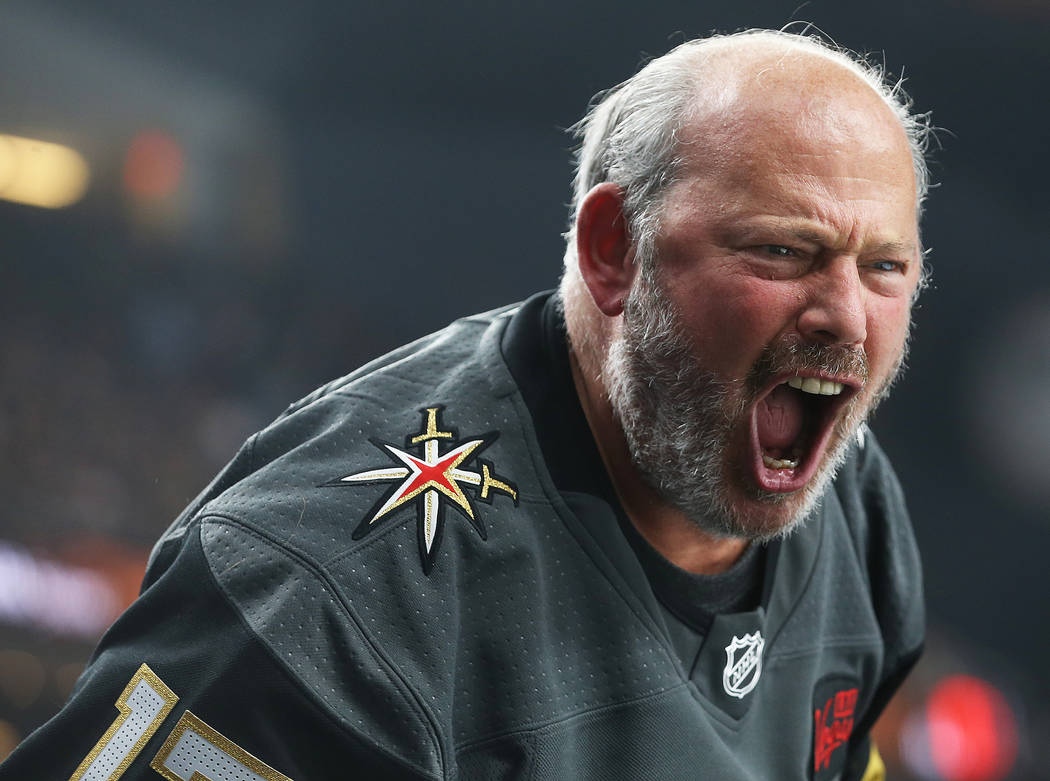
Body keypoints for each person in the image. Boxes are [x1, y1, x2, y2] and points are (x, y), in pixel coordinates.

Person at [0, 28, 928, 781]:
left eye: (885, 265)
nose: (847, 313)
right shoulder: (333, 601)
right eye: (781, 251)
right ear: (614, 251)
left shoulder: (852, 505)